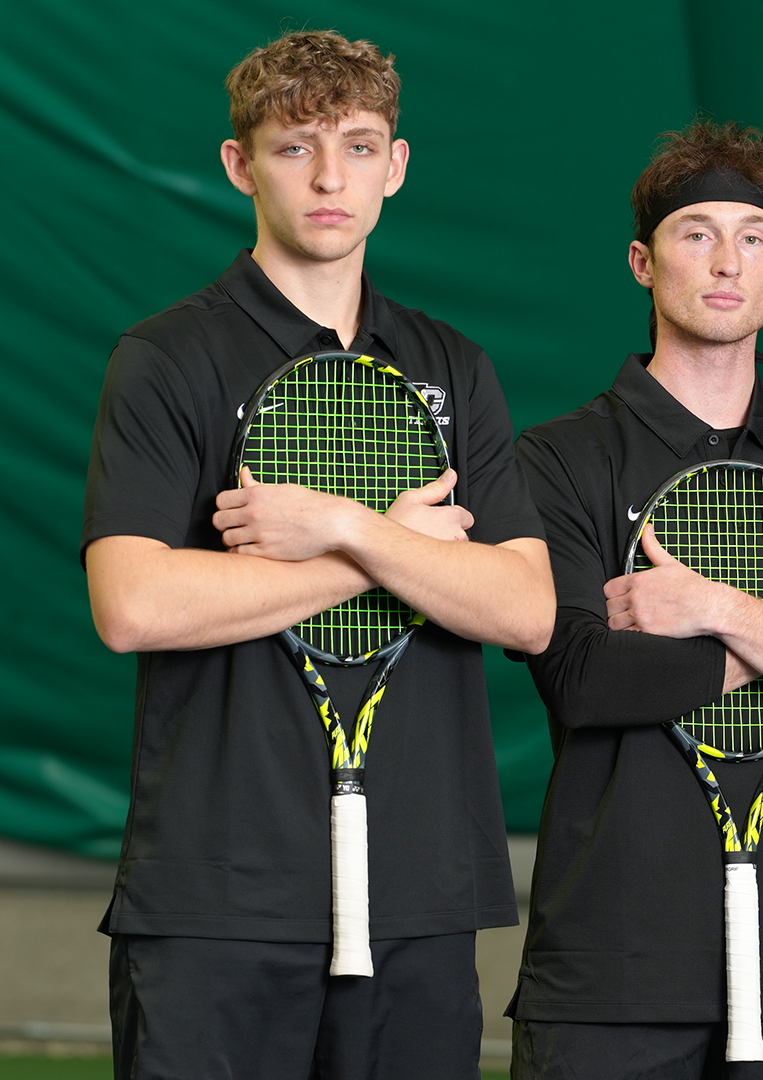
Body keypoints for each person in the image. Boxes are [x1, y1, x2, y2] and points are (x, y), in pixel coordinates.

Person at [81, 29, 554, 1080]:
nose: (331, 175)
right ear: (241, 166)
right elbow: (133, 604)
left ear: (397, 165)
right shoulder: (167, 358)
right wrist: (384, 555)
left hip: (419, 892)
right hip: (218, 892)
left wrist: (343, 525)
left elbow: (526, 610)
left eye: (358, 143)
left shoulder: (453, 368)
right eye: (296, 149)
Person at [507, 119, 763, 1080]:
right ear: (641, 261)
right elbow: (582, 678)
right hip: (609, 974)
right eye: (696, 232)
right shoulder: (556, 460)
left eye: (752, 237)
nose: (726, 260)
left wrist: (710, 611)